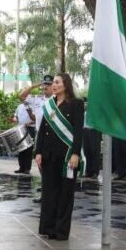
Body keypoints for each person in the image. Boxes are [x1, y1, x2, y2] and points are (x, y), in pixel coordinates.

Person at [35, 73, 85, 240]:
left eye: (57, 82)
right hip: (49, 155)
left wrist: (76, 153)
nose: (53, 85)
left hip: (67, 157)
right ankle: (48, 228)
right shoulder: (50, 105)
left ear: (66, 85)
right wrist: (38, 152)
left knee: (65, 194)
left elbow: (78, 131)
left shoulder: (76, 104)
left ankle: (61, 230)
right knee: (49, 192)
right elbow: (43, 130)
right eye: (53, 83)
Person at [16, 75, 53, 173]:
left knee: (51, 159)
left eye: (49, 84)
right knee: (39, 157)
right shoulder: (38, 98)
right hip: (40, 133)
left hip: (53, 133)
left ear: (53, 86)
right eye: (45, 84)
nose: (46, 86)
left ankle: (51, 185)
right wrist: (33, 86)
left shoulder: (57, 99)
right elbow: (21, 96)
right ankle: (44, 184)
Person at [12, 99, 37, 173]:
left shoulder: (33, 106)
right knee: (20, 149)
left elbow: (38, 118)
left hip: (30, 128)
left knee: (28, 149)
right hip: (20, 128)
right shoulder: (19, 106)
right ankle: (21, 167)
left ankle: (27, 168)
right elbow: (15, 116)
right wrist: (14, 119)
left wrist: (30, 122)